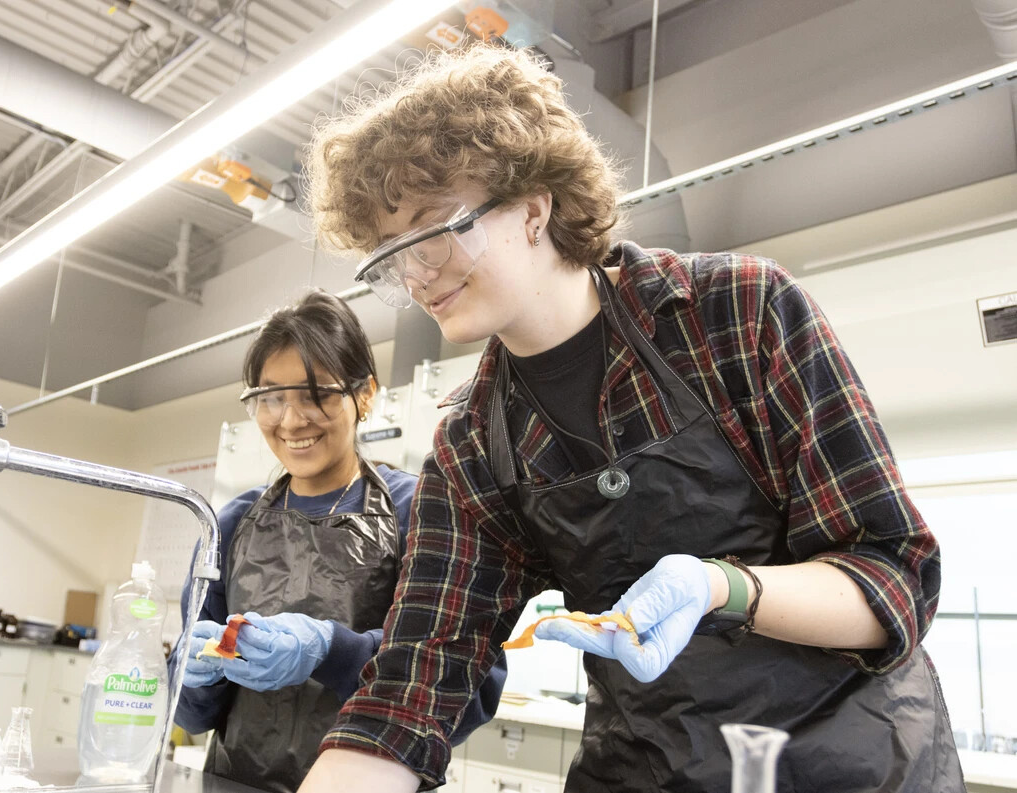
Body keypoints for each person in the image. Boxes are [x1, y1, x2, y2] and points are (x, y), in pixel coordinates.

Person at [295, 44, 963, 792]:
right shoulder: (473, 443)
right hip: (654, 767)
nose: (416, 275)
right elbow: (418, 678)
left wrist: (724, 587)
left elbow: (894, 575)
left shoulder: (736, 312)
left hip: (853, 765)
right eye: (391, 255)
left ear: (532, 207)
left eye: (432, 231)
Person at [170, 290, 506, 793]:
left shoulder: (423, 512)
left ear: (364, 394)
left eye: (315, 394)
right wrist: (194, 675)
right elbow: (195, 718)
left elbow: (469, 689)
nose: (290, 419)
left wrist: (331, 650)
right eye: (270, 397)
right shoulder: (231, 523)